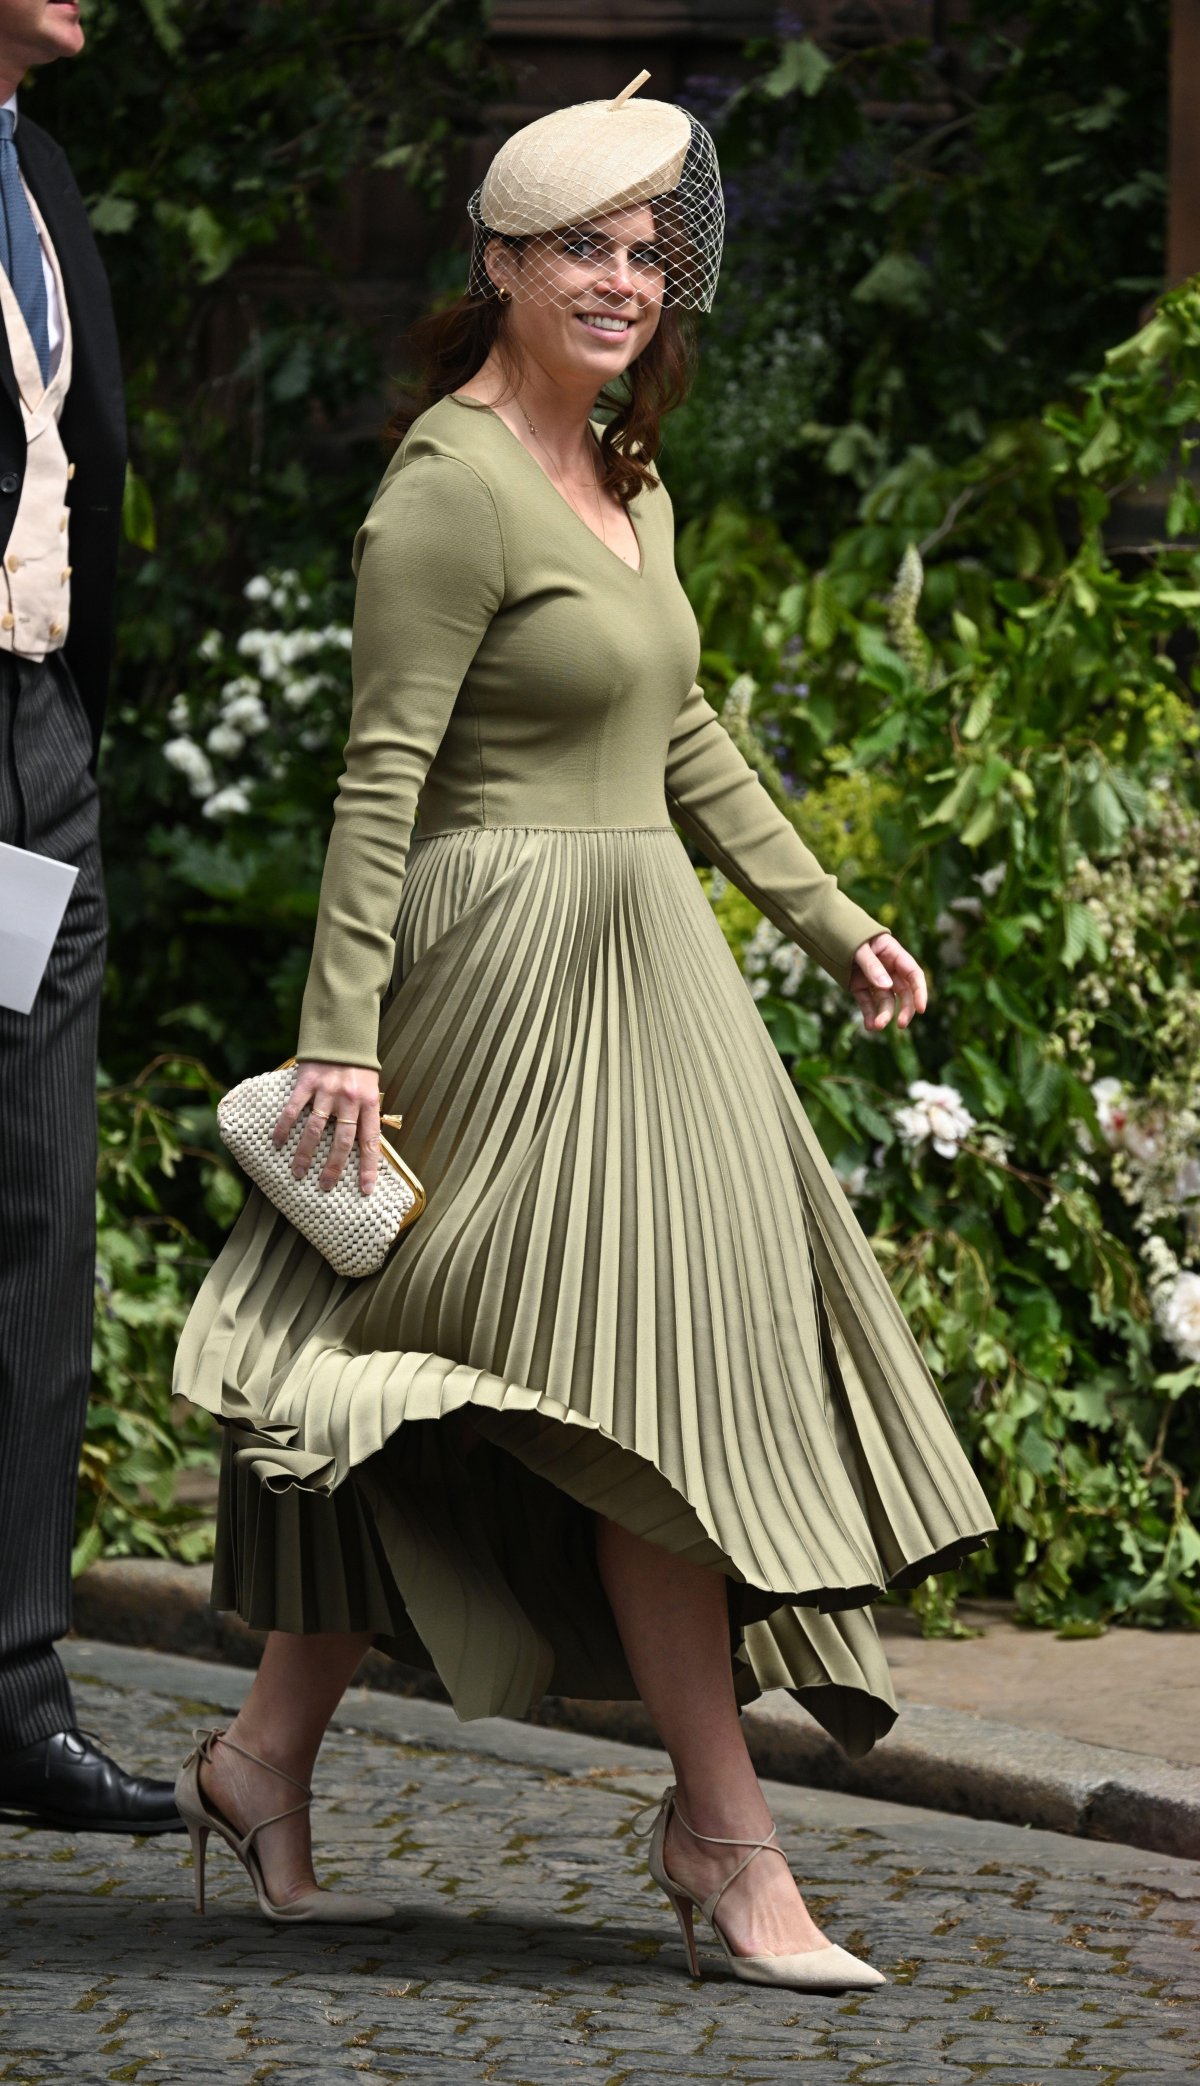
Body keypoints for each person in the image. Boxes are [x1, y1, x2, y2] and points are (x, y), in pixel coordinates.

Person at [173, 76, 997, 1980]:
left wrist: (831, 914)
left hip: (655, 975)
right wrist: (341, 1042)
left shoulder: (629, 478)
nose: (625, 281)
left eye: (646, 250)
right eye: (583, 249)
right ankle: (724, 1837)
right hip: (494, 980)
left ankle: (262, 1753)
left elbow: (680, 732)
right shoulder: (445, 492)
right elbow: (380, 785)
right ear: (502, 265)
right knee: (627, 1394)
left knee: (550, 1378)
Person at [0, 0, 181, 1835]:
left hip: (33, 750)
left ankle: (11, 1676)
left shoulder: (38, 174)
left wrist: (63, 739)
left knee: (39, 1200)